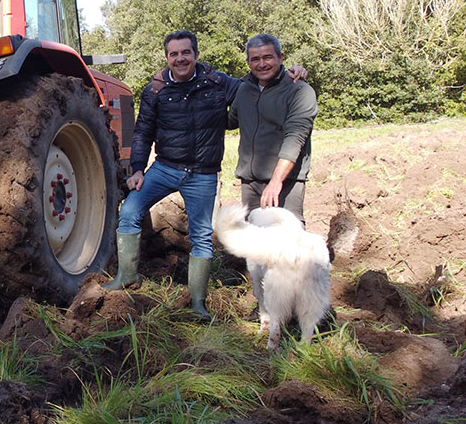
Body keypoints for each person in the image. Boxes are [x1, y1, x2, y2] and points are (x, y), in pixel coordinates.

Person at [103, 29, 305, 318]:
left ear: (196, 55)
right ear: (167, 57)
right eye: (174, 54)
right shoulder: (155, 90)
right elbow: (142, 132)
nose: (180, 58)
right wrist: (137, 169)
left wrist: (292, 72)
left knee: (200, 235)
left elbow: (259, 82)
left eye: (186, 52)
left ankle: (197, 303)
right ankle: (127, 276)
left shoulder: (219, 82)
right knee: (129, 211)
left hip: (202, 173)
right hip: (165, 167)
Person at [228, 33, 317, 224]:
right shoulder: (244, 90)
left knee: (288, 240)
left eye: (267, 57)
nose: (262, 64)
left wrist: (276, 182)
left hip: (286, 182)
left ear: (281, 57)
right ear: (248, 62)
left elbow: (295, 138)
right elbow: (229, 121)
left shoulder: (299, 91)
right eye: (255, 59)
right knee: (255, 241)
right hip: (250, 182)